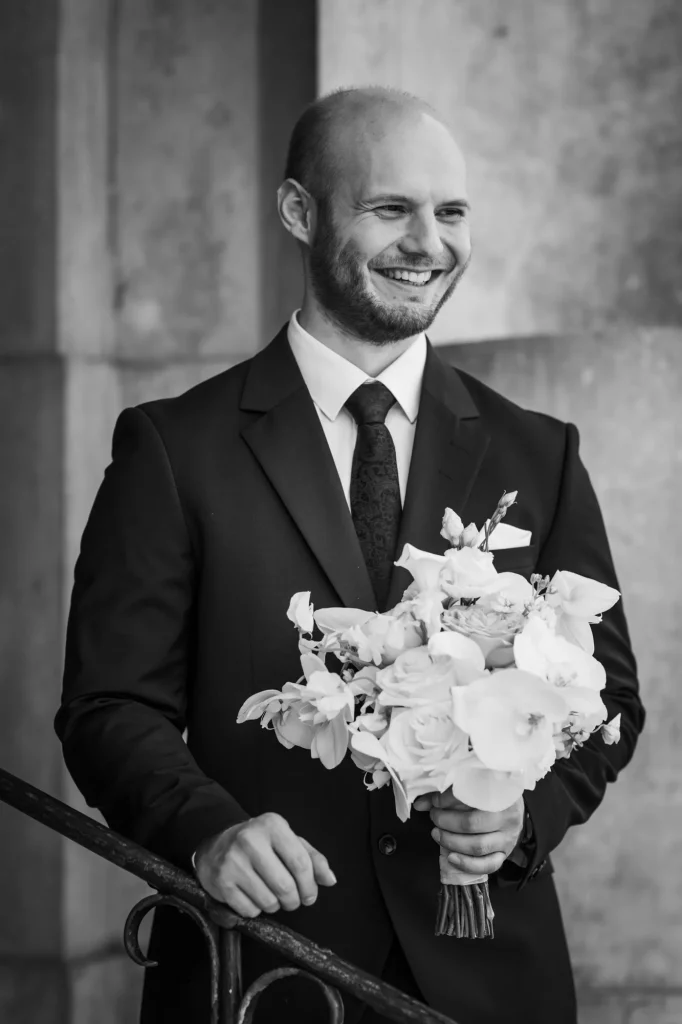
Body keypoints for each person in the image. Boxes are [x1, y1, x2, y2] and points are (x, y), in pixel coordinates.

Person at [55, 87, 644, 1024]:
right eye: (389, 209)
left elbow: (609, 699)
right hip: (256, 968)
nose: (429, 243)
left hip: (491, 982)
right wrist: (204, 832)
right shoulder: (173, 449)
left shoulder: (540, 451)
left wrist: (522, 823)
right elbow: (107, 703)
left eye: (450, 213)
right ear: (300, 212)